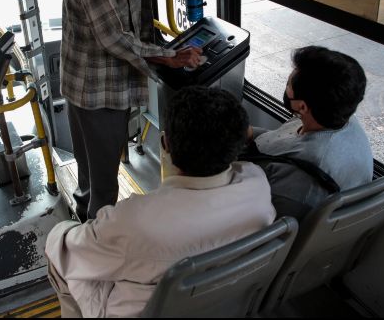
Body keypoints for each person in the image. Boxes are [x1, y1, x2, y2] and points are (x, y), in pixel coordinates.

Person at [45, 86, 276, 318]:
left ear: (165, 144)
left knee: (60, 252)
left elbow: (67, 253)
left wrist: (63, 231)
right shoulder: (258, 185)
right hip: (223, 303)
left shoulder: (133, 220)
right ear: (237, 145)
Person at [60, 0, 202, 222]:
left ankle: (86, 223)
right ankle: (96, 249)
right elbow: (110, 35)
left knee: (95, 174)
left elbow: (137, 1)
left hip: (113, 80)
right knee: (103, 186)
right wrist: (167, 57)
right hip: (95, 87)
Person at [248, 46, 373, 220]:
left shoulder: (305, 176)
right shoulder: (336, 116)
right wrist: (249, 132)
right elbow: (285, 140)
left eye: (288, 84)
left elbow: (267, 222)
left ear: (302, 106)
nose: (287, 85)